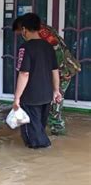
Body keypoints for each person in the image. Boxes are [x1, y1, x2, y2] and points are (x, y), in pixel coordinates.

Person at [13, 13, 81, 135]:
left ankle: (57, 130)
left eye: (20, 32)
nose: (22, 36)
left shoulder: (44, 33)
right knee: (49, 100)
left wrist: (58, 75)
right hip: (56, 70)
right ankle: (44, 131)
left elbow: (58, 53)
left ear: (23, 28)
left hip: (62, 70)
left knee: (55, 101)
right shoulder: (41, 29)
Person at [13, 13, 61, 149]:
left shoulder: (25, 48)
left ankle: (44, 161)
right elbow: (54, 70)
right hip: (46, 96)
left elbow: (24, 74)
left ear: (24, 30)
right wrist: (56, 91)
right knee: (39, 129)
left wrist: (17, 98)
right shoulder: (48, 47)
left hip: (30, 98)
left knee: (34, 140)